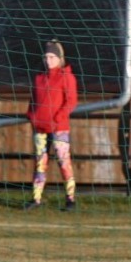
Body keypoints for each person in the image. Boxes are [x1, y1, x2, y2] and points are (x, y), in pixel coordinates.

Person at [25, 39, 78, 211]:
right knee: (40, 163)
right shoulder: (39, 78)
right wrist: (32, 115)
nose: (49, 61)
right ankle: (36, 198)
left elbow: (71, 101)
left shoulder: (66, 77)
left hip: (59, 128)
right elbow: (33, 100)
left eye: (52, 57)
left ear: (59, 58)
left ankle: (70, 199)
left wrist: (58, 117)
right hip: (40, 128)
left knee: (64, 162)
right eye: (46, 57)